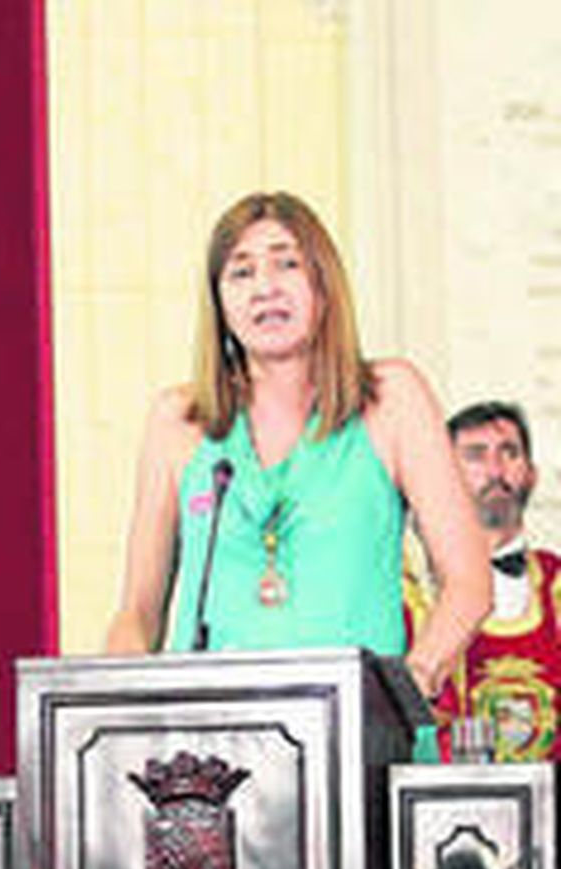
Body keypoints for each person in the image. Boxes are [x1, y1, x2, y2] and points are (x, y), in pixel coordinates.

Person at [105, 192, 488, 698]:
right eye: (241, 273)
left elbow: (468, 585)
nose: (265, 288)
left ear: (324, 289)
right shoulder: (178, 421)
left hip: (356, 742)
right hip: (213, 749)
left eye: (287, 264)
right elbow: (136, 613)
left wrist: (405, 689)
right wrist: (116, 705)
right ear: (220, 304)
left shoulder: (391, 398)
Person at [406, 401, 560, 761]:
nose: (495, 469)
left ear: (532, 474)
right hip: (443, 808)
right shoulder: (406, 592)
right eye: (476, 455)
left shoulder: (555, 582)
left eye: (509, 453)